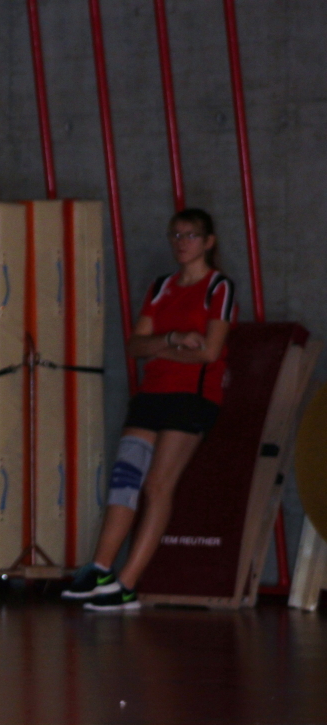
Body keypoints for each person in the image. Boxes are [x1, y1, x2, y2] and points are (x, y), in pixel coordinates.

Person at [62, 208, 237, 612]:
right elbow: (135, 346)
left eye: (190, 235)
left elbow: (209, 352)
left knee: (158, 486)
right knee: (125, 480)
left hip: (191, 398)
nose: (181, 243)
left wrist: (160, 348)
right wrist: (173, 339)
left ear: (208, 242)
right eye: (175, 235)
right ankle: (101, 569)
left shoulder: (218, 287)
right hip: (152, 393)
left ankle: (127, 584)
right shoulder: (162, 286)